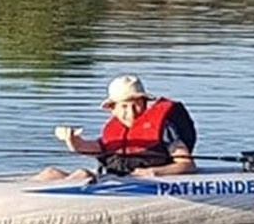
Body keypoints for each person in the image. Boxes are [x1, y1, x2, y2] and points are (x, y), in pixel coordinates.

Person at [33, 75, 199, 181]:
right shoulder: (112, 130)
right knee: (51, 172)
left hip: (141, 184)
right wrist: (73, 141)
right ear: (112, 108)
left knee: (82, 174)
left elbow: (187, 165)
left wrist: (153, 172)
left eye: (137, 105)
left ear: (145, 103)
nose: (131, 112)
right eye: (124, 106)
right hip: (112, 180)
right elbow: (90, 148)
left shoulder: (165, 129)